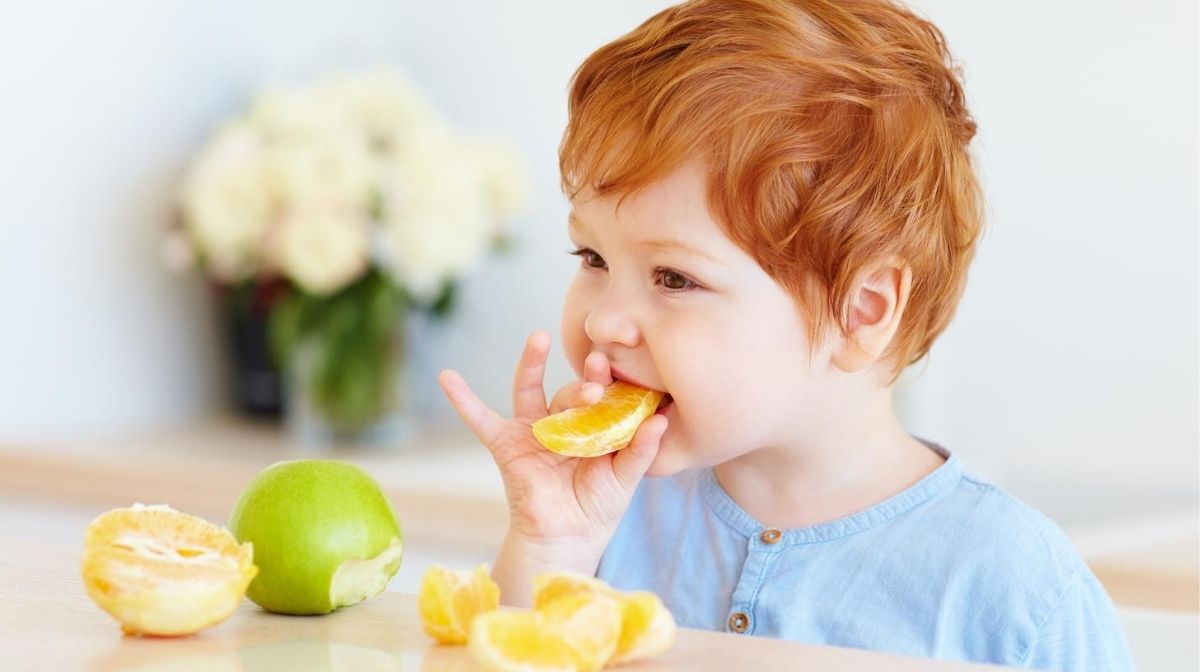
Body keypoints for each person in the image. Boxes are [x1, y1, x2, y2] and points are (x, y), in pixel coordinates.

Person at [438, 0, 1134, 668]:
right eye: (593, 259)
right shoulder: (604, 517)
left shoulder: (1012, 585)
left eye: (674, 278)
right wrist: (548, 545)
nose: (602, 321)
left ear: (861, 310)